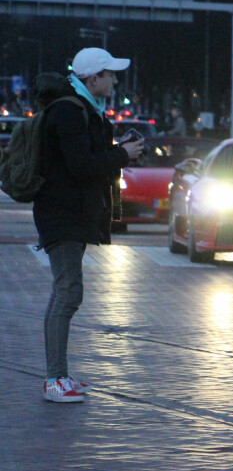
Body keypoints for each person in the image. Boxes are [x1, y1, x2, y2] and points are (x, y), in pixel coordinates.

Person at [33, 48, 145, 402]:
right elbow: (81, 166)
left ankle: (59, 375)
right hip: (62, 214)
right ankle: (55, 380)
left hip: (73, 213)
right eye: (110, 74)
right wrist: (121, 155)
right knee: (68, 292)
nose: (115, 80)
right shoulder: (69, 111)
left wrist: (119, 150)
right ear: (93, 78)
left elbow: (86, 160)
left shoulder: (86, 111)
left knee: (64, 292)